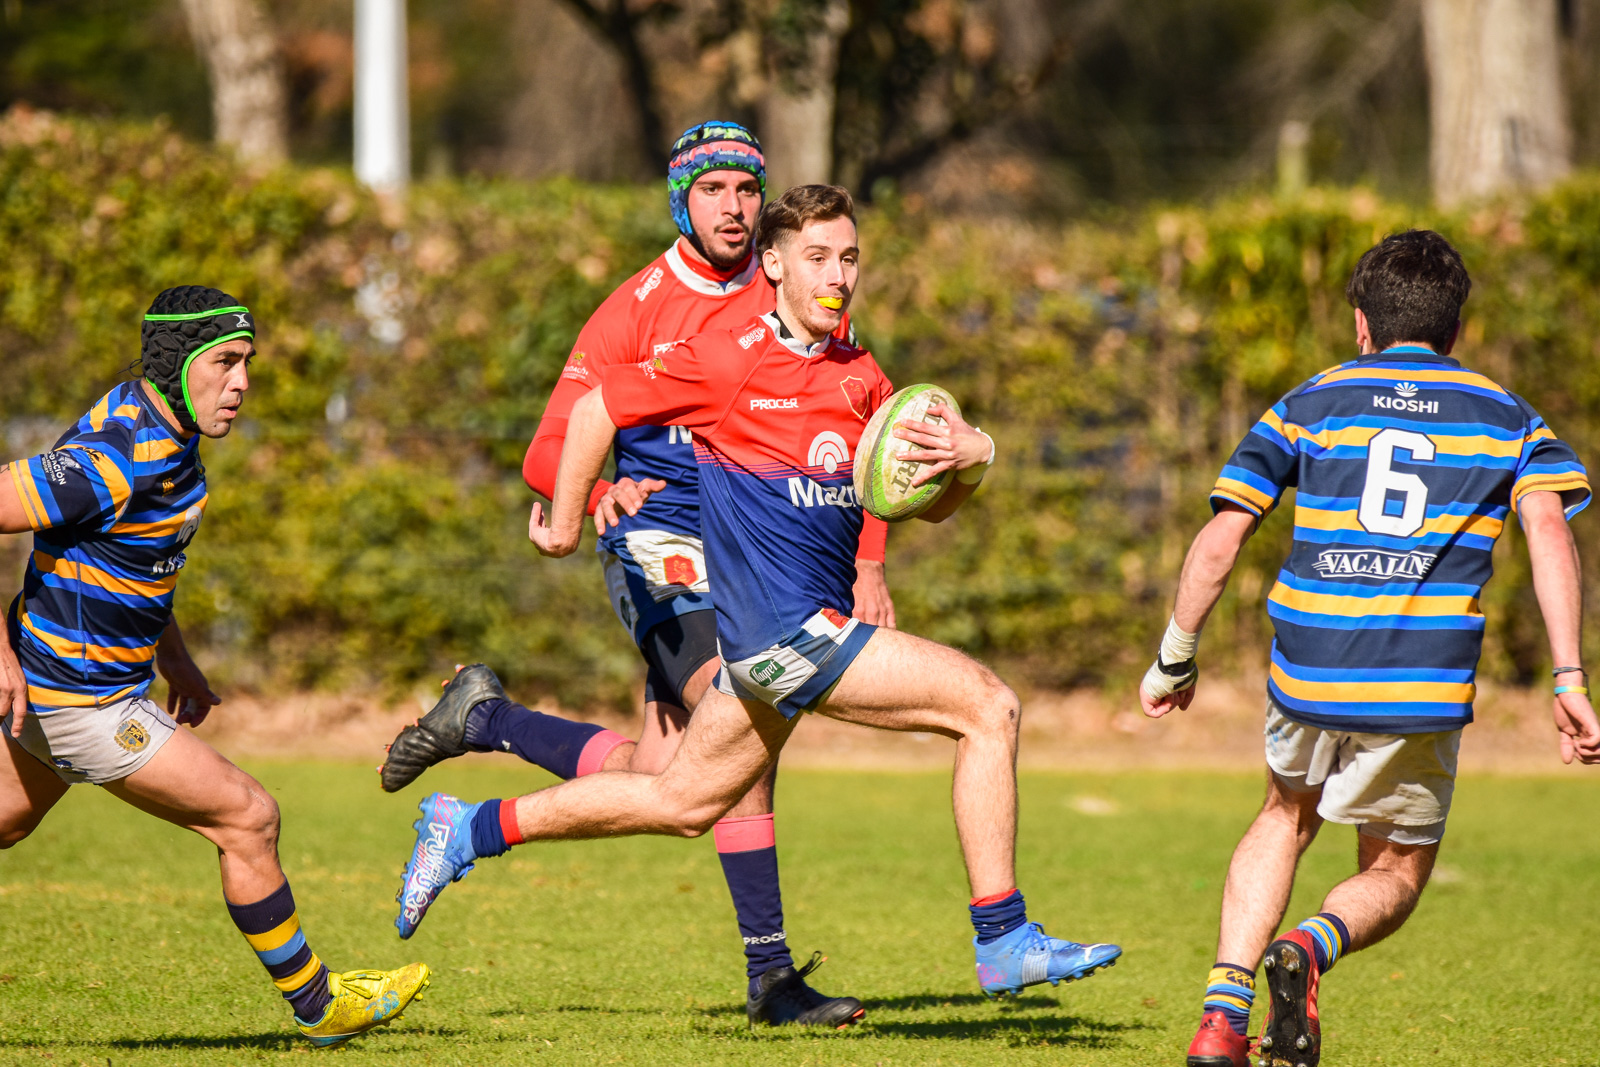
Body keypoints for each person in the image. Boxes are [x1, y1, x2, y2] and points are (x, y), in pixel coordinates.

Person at [392, 184, 1123, 1010]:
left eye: (848, 257)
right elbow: (597, 405)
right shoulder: (727, 354)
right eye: (816, 258)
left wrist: (972, 454)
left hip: (770, 651)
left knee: (677, 799)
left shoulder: (860, 372)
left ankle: (465, 828)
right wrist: (566, 524)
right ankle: (1003, 938)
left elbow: (914, 499)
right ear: (773, 264)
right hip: (789, 634)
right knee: (988, 705)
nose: (835, 275)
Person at [379, 121, 888, 1026]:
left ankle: (484, 720)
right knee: (743, 729)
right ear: (679, 201)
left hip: (752, 553)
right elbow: (548, 448)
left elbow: (860, 430)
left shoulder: (799, 296)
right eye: (711, 192)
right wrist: (601, 489)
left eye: (745, 191)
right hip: (662, 549)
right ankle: (770, 978)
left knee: (669, 772)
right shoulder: (634, 310)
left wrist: (869, 560)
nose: (731, 209)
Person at [1140, 231, 1600, 1067]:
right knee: (1396, 871)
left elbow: (1222, 536)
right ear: (1455, 329)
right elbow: (1548, 533)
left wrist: (1175, 652)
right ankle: (1309, 949)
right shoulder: (1506, 415)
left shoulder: (1309, 401)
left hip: (1308, 666)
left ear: (1362, 324)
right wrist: (1568, 675)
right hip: (1417, 682)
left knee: (1284, 815)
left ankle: (1219, 1018)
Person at [0, 286, 431, 1049]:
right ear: (176, 366)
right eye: (224, 363)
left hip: (63, 688)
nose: (242, 382)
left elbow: (135, 565)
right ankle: (320, 1005)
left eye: (247, 363)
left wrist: (181, 663)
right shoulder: (115, 457)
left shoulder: (165, 433)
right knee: (248, 815)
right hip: (81, 702)